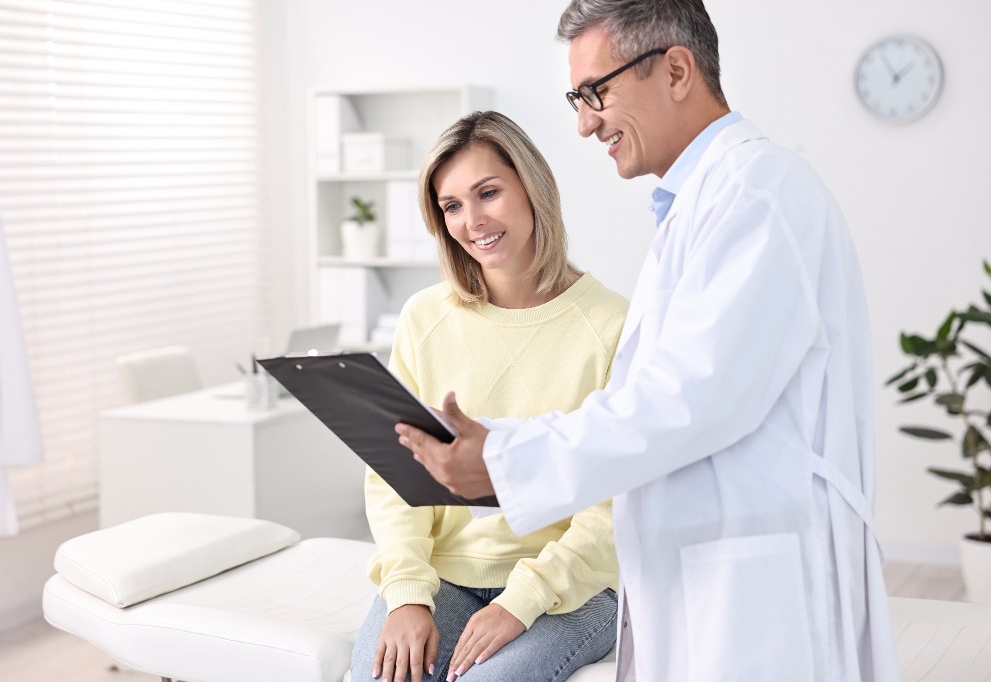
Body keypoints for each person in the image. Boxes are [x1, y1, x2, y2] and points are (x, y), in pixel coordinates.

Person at [395, 2, 901, 681]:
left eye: (595, 93)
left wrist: (509, 460)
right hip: (705, 576)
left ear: (676, 69)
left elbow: (687, 400)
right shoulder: (701, 206)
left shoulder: (758, 194)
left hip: (758, 593)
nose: (583, 123)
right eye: (576, 99)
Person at [349, 111, 628, 682]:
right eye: (451, 206)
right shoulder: (425, 318)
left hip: (572, 589)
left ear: (532, 187)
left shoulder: (613, 325)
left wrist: (521, 600)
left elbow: (614, 507)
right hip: (445, 574)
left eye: (488, 192)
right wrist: (405, 592)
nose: (472, 221)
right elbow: (393, 474)